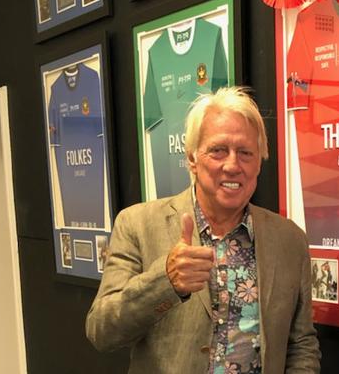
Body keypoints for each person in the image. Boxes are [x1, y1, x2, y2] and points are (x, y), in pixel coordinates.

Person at [86, 86, 320, 373]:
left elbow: (301, 344)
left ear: (260, 161)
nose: (233, 165)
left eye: (246, 152)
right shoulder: (137, 225)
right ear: (192, 159)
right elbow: (102, 331)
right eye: (218, 150)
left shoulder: (289, 240)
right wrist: (165, 282)